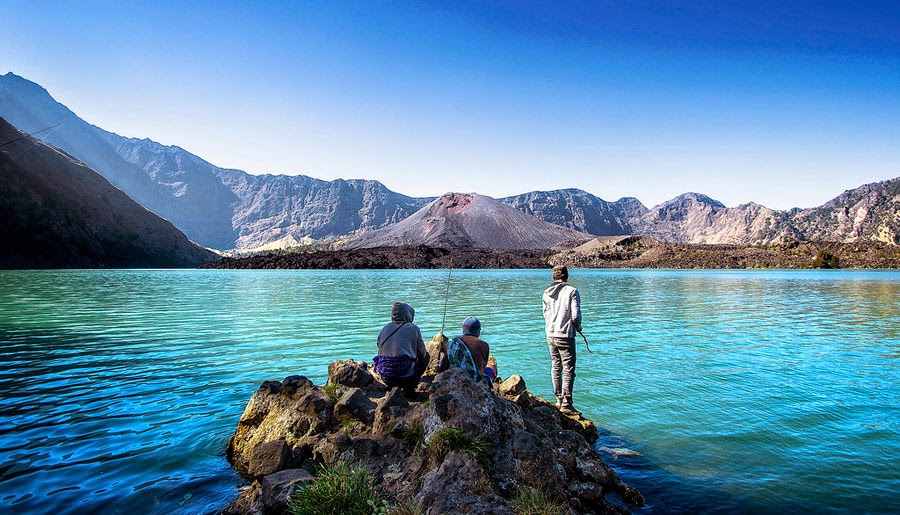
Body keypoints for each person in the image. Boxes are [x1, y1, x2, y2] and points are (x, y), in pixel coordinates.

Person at [542, 265, 581, 414]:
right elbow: (575, 316)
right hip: (565, 335)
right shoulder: (572, 291)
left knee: (556, 366)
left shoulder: (546, 292)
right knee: (568, 369)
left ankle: (558, 400)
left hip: (550, 334)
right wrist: (578, 327)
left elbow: (545, 314)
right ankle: (566, 403)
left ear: (554, 277)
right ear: (566, 276)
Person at [373, 302, 428, 395]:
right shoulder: (414, 328)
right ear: (408, 314)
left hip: (385, 376)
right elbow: (422, 353)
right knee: (426, 357)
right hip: (405, 376)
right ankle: (411, 387)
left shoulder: (385, 328)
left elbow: (379, 345)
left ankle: (392, 386)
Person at [444, 316, 496, 383]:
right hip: (473, 381)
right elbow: (482, 367)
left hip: (455, 377)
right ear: (478, 331)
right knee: (491, 367)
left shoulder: (452, 342)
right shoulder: (484, 345)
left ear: (464, 329)